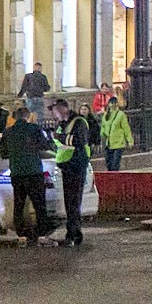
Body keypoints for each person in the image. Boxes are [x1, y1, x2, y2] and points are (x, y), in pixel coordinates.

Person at [1, 105, 53, 247]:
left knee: (19, 205)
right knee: (39, 204)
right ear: (28, 116)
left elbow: (3, 153)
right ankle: (42, 236)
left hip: (17, 173)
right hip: (34, 172)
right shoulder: (34, 129)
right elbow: (45, 146)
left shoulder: (8, 132)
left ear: (15, 118)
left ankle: (21, 237)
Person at [52, 99, 91, 248]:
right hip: (67, 166)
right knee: (70, 203)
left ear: (64, 109)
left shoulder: (78, 122)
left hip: (76, 165)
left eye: (55, 110)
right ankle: (74, 233)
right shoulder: (63, 124)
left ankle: (73, 234)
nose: (54, 113)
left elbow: (79, 141)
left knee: (74, 202)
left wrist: (59, 138)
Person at [99, 95, 132, 172]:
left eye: (115, 103)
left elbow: (126, 128)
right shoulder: (106, 115)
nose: (113, 104)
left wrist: (130, 140)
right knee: (109, 164)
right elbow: (103, 126)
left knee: (115, 164)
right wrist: (102, 134)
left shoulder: (121, 115)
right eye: (111, 103)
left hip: (118, 143)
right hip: (109, 143)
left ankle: (115, 180)